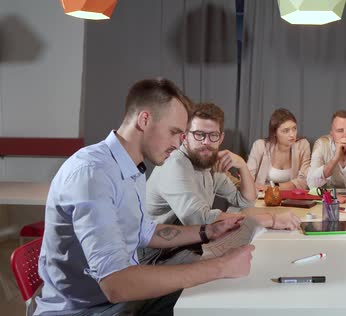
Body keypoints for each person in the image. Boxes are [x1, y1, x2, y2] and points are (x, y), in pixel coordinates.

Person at [35, 79, 255, 316]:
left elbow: (143, 231)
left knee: (219, 295)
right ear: (144, 120)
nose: (177, 144)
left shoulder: (132, 167)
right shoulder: (92, 174)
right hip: (89, 310)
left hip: (116, 304)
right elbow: (116, 284)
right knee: (216, 290)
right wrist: (220, 267)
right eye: (174, 132)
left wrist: (207, 231)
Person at [143, 103, 300, 264]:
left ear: (221, 138)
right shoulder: (175, 165)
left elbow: (246, 200)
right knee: (241, 266)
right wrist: (270, 219)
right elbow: (199, 220)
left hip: (185, 246)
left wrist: (242, 165)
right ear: (185, 137)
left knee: (257, 258)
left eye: (213, 135)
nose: (206, 142)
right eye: (199, 135)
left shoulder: (208, 162)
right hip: (155, 255)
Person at [247, 108, 311, 190]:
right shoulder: (260, 146)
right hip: (262, 197)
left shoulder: (303, 145)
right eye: (285, 131)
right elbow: (247, 179)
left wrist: (272, 188)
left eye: (294, 128)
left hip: (291, 199)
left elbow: (303, 181)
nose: (292, 134)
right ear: (274, 133)